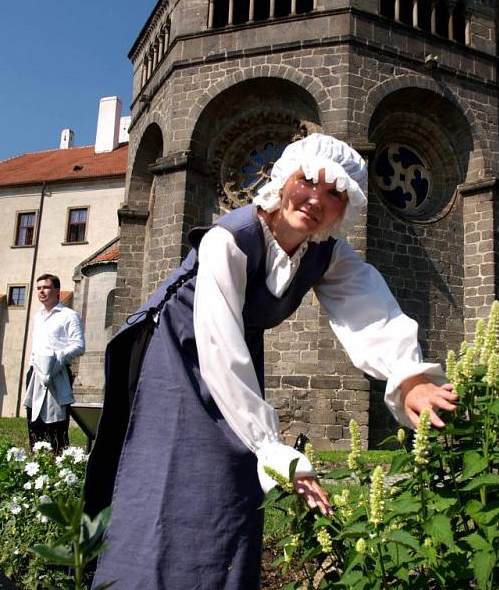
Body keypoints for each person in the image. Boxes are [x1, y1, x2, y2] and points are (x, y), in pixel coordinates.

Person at [87, 133, 459, 589]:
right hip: (176, 353)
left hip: (235, 356)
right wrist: (271, 448)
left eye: (334, 193)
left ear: (346, 207)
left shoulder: (326, 254)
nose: (316, 199)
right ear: (284, 179)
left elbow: (370, 310)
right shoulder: (230, 238)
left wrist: (409, 378)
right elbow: (217, 341)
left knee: (236, 480)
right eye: (308, 182)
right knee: (182, 471)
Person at [23, 273, 85, 452]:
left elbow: (79, 346)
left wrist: (55, 357)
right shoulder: (38, 317)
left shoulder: (69, 315)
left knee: (56, 424)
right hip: (35, 372)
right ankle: (36, 464)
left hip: (57, 372)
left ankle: (58, 464)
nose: (42, 291)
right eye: (39, 288)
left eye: (46, 287)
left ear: (57, 290)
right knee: (34, 422)